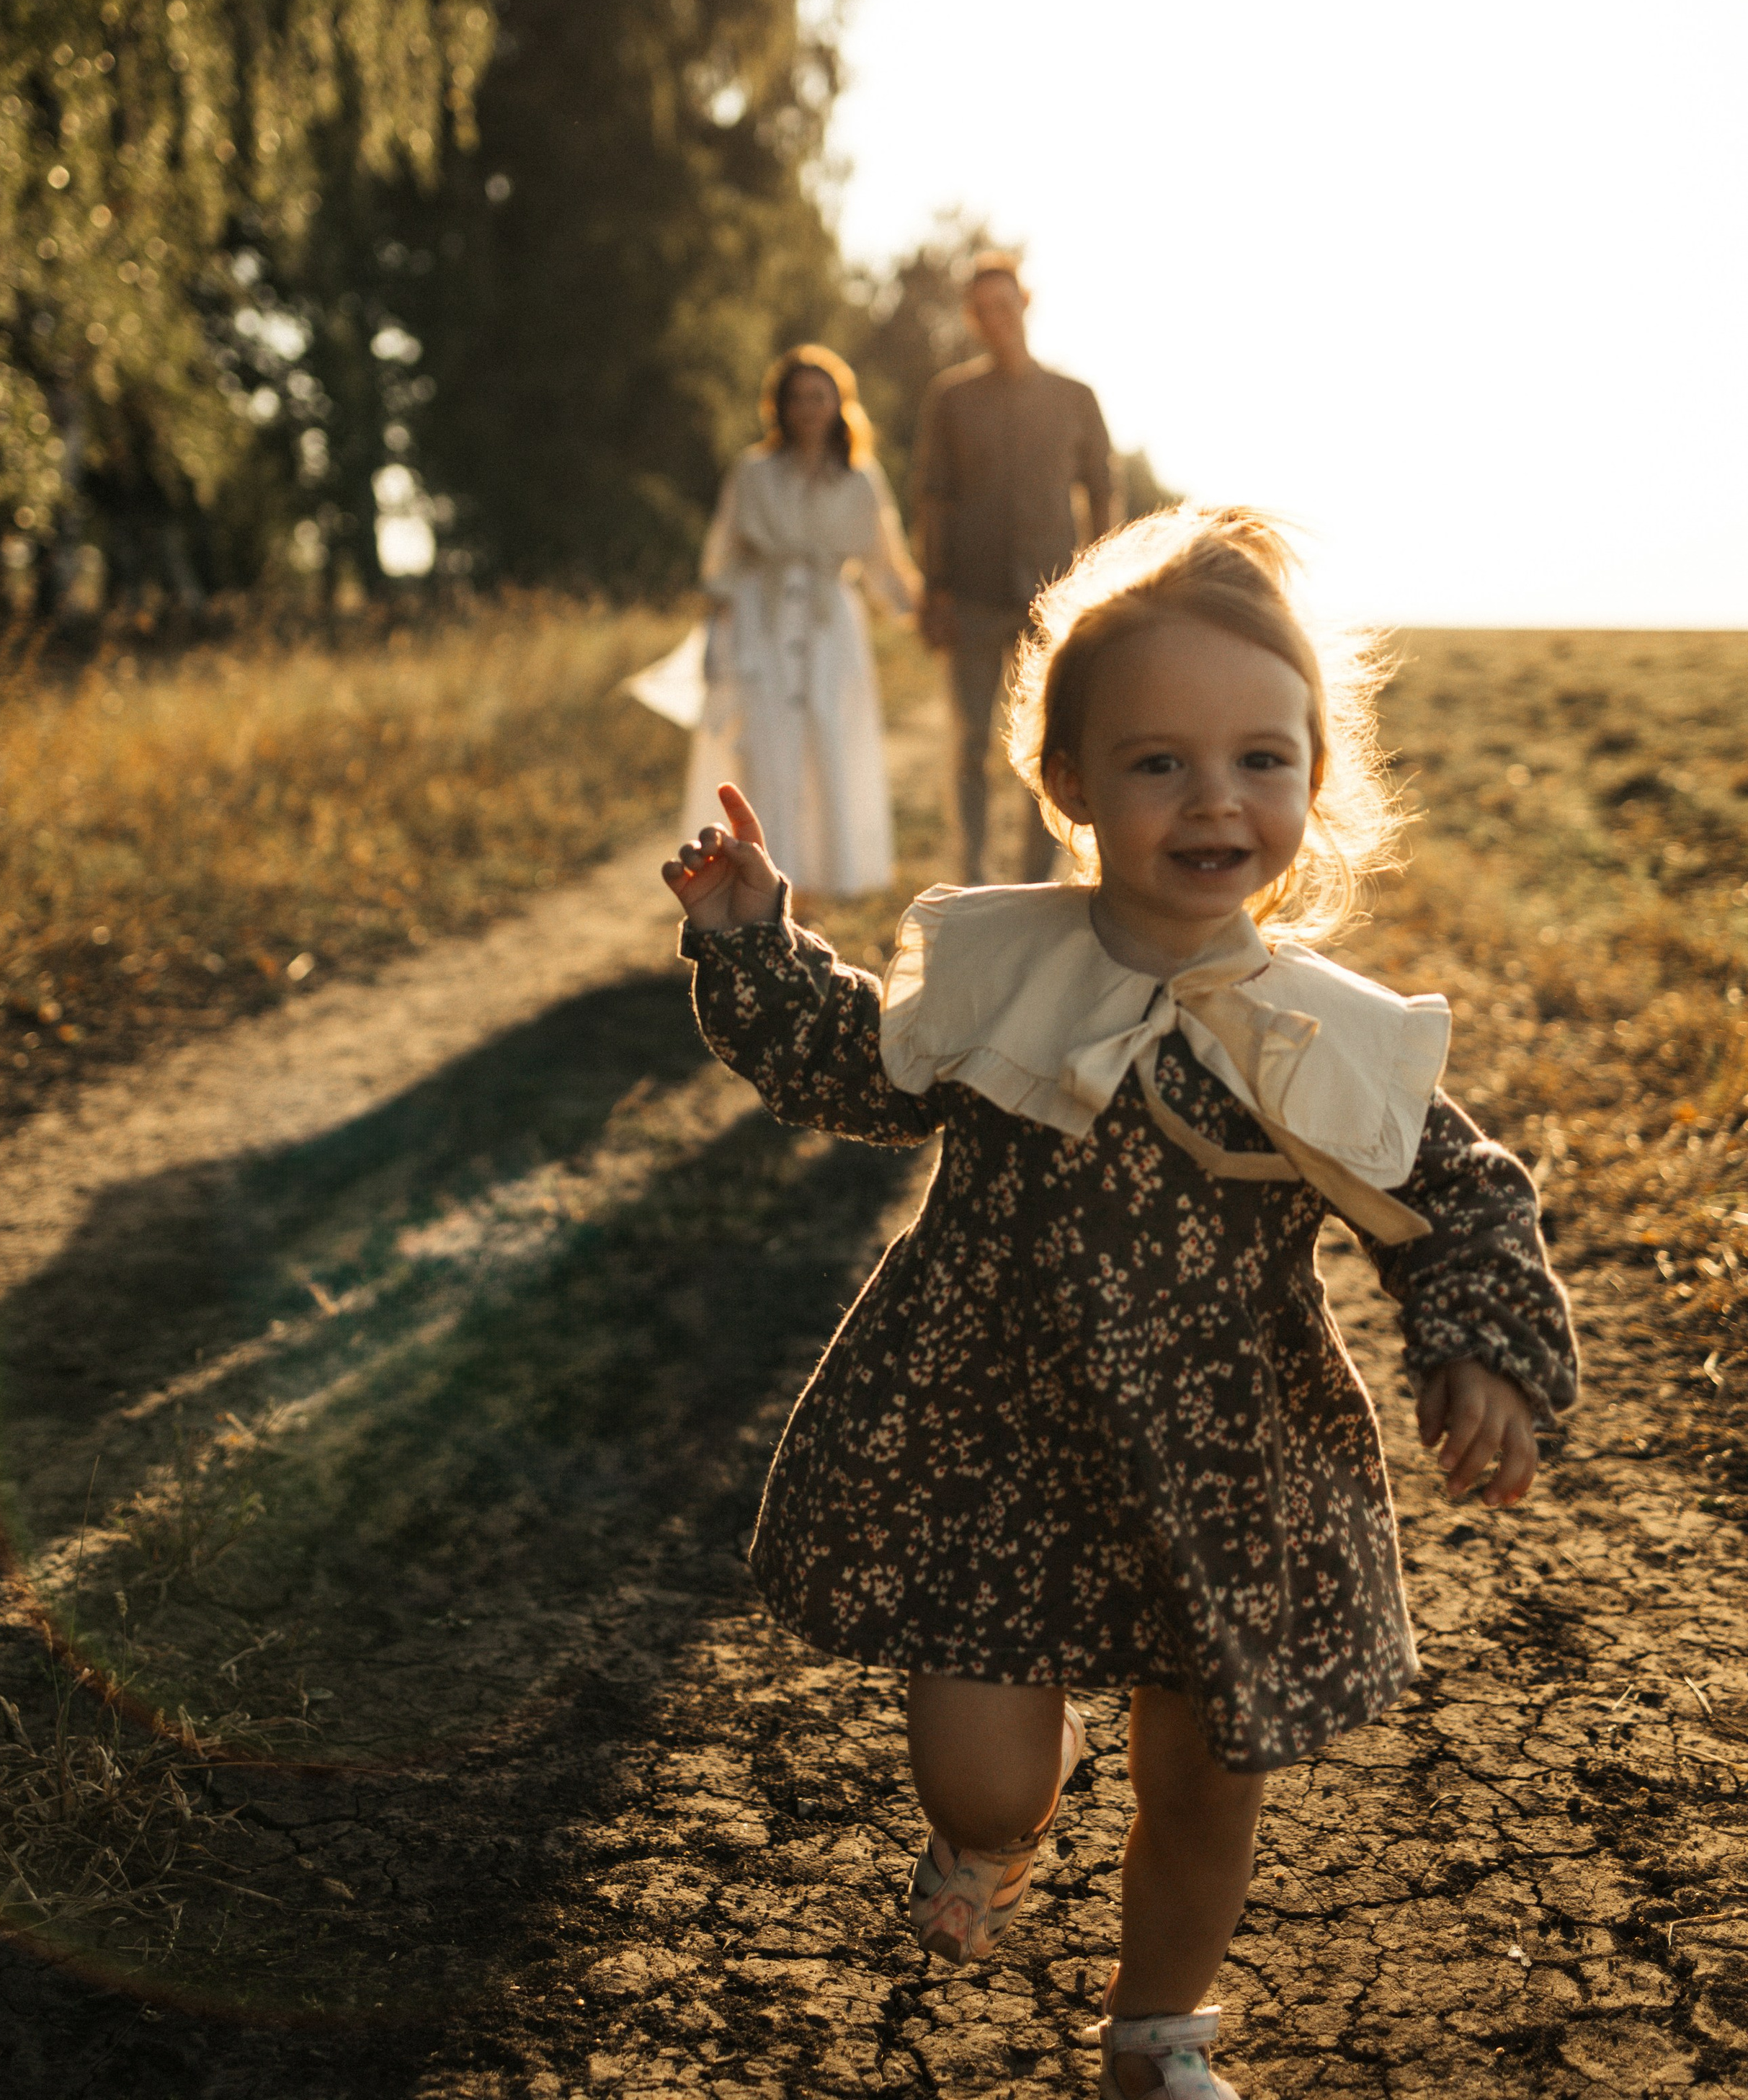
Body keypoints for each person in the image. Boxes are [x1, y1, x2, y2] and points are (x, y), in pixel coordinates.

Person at [662, 506, 1576, 2099]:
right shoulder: (1003, 970)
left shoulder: (1325, 1034)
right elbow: (849, 1066)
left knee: (1209, 1776)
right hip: (991, 1441)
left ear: (1311, 777)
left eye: (1257, 760)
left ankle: (1157, 2033)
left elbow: (1456, 1195)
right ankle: (998, 1829)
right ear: (1070, 783)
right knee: (976, 1777)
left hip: (1225, 1466)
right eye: (1157, 763)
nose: (1212, 798)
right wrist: (754, 945)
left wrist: (1479, 1350)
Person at [682, 344, 919, 899]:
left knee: (827, 738)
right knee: (765, 745)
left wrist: (921, 611)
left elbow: (887, 562)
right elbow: (724, 550)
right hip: (761, 620)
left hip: (828, 626)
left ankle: (823, 881)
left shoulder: (860, 478)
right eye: (797, 397)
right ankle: (762, 881)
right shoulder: (754, 472)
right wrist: (719, 622)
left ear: (839, 403)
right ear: (780, 407)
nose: (809, 407)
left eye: (819, 395)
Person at [913, 256, 1115, 884]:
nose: (996, 318)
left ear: (1025, 303)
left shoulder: (1075, 397)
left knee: (1048, 745)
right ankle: (971, 875)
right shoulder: (951, 398)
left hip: (1054, 598)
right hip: (970, 595)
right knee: (972, 742)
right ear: (973, 320)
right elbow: (931, 497)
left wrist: (1100, 585)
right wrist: (933, 589)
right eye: (983, 310)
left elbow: (1104, 489)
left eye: (1005, 304)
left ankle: (1035, 880)